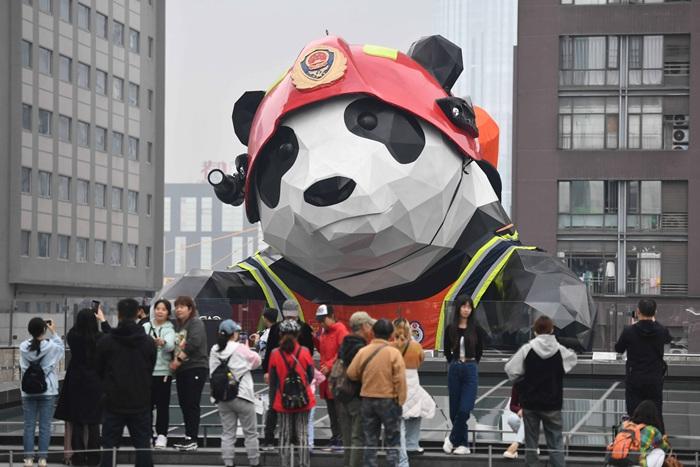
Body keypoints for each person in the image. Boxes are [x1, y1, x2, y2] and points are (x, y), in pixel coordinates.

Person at [505, 315, 577, 467]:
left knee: (531, 444)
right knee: (556, 443)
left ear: (535, 331)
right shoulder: (559, 350)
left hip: (530, 403)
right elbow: (573, 359)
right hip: (553, 403)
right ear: (552, 330)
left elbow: (510, 369)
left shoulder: (527, 349)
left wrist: (522, 382)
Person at [95, 298, 156, 467]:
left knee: (108, 448)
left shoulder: (106, 341)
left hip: (113, 401)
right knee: (143, 448)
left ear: (119, 314)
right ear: (138, 313)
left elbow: (98, 369)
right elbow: (151, 367)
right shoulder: (148, 342)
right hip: (141, 401)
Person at [347, 319, 407, 467]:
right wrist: (401, 400)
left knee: (370, 441)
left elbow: (351, 373)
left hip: (367, 400)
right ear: (391, 334)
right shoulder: (394, 353)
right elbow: (400, 379)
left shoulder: (364, 351)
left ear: (373, 333)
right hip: (389, 401)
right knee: (392, 441)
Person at [55, 308, 110, 466]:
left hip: (75, 381)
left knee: (77, 422)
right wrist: (102, 319)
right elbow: (112, 336)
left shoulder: (73, 336)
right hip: (94, 382)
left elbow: (73, 329)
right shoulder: (100, 338)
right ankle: (94, 458)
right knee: (94, 423)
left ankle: (78, 458)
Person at [260, 300, 314, 450]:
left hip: (279, 373)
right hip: (295, 375)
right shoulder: (304, 328)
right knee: (288, 407)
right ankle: (290, 440)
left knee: (278, 407)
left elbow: (270, 352)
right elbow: (309, 353)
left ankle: (275, 439)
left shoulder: (277, 328)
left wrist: (267, 371)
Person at [209, 320, 262, 467]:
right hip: (243, 394)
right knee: (250, 433)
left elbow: (212, 372)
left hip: (222, 397)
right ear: (234, 334)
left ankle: (228, 462)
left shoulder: (214, 350)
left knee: (227, 433)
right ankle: (254, 462)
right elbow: (257, 361)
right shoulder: (239, 348)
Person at [615, 299, 672, 433]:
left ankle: (636, 444)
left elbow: (618, 349)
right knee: (656, 412)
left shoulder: (629, 331)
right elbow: (668, 339)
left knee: (634, 413)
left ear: (638, 311)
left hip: (635, 378)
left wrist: (635, 324)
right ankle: (658, 444)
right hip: (654, 378)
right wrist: (653, 321)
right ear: (655, 312)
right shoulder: (662, 330)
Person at [442, 295, 487, 455]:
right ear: (458, 308)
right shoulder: (450, 328)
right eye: (464, 306)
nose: (466, 309)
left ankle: (452, 439)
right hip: (454, 368)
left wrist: (471, 363)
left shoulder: (476, 328)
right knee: (454, 411)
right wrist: (454, 362)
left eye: (469, 307)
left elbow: (480, 350)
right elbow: (447, 350)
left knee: (465, 408)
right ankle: (463, 444)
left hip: (470, 367)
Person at [268, 319, 316, 467]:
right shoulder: (305, 352)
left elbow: (273, 381)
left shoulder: (275, 354)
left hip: (282, 401)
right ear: (298, 335)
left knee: (284, 434)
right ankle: (303, 464)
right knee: (302, 434)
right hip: (303, 400)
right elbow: (311, 375)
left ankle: (285, 463)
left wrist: (272, 402)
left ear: (280, 334)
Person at [20, 317, 65, 467]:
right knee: (45, 425)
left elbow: (25, 369)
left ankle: (28, 459)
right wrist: (53, 331)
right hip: (48, 390)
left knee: (29, 426)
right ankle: (42, 459)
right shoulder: (51, 346)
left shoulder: (23, 347)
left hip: (28, 392)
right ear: (44, 330)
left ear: (29, 330)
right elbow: (61, 348)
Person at [169, 296, 208, 451]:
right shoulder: (180, 326)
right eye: (177, 306)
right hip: (183, 370)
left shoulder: (196, 322)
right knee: (184, 404)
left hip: (195, 367)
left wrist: (178, 360)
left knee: (191, 403)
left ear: (190, 309)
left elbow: (194, 343)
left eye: (182, 306)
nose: (178, 309)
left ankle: (193, 438)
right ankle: (188, 436)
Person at [393, 317, 435, 463]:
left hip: (397, 380)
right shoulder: (416, 346)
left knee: (400, 418)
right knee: (417, 412)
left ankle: (401, 451)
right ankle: (412, 444)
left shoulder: (392, 346)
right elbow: (421, 359)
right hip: (413, 380)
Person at [337, 311, 375, 467]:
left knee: (347, 438)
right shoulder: (361, 348)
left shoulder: (344, 343)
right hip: (356, 397)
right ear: (364, 326)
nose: (371, 329)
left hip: (341, 395)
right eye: (370, 325)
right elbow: (360, 374)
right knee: (358, 437)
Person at [142, 299, 176, 449]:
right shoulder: (145, 326)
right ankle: (147, 435)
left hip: (163, 373)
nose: (160, 311)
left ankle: (162, 435)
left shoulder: (170, 328)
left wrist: (163, 342)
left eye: (163, 309)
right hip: (146, 373)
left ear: (168, 312)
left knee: (162, 406)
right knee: (146, 406)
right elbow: (138, 344)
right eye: (157, 309)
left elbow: (170, 346)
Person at [315, 304, 348, 451]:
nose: (321, 323)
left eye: (323, 319)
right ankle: (335, 437)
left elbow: (342, 352)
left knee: (340, 411)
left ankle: (341, 439)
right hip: (327, 379)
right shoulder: (324, 333)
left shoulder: (340, 330)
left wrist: (328, 365)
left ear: (332, 316)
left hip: (337, 378)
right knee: (332, 411)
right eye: (320, 320)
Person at [626, 400, 670, 467]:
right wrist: (665, 440)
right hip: (635, 463)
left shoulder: (626, 425)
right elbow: (665, 448)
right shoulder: (652, 430)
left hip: (615, 461)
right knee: (659, 452)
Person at [502, 384, 525, 459]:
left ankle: (514, 447)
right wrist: (519, 410)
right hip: (525, 417)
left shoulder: (541, 382)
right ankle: (531, 444)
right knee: (512, 419)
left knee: (528, 417)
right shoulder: (519, 383)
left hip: (541, 419)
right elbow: (512, 405)